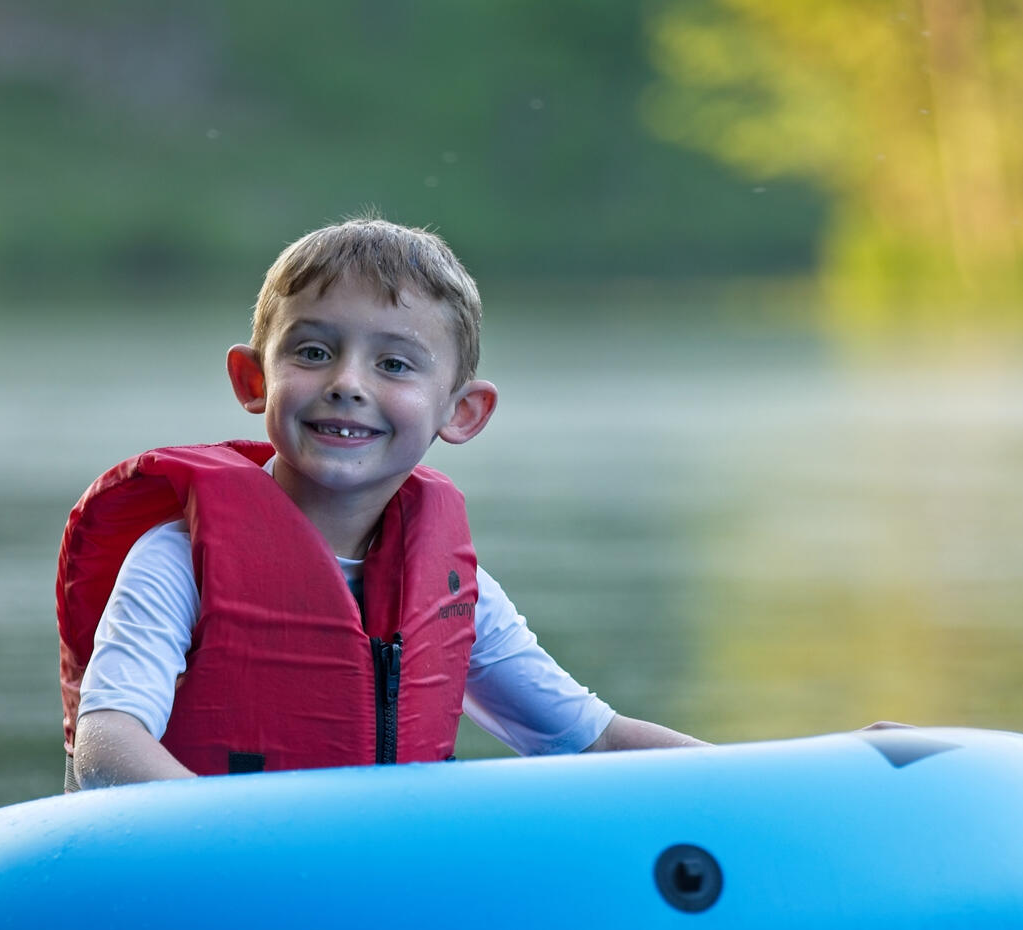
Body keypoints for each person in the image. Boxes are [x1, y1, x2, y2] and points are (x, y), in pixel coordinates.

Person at [57, 217, 710, 791]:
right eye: (313, 352)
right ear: (253, 380)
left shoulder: (456, 591)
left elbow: (590, 741)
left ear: (460, 412)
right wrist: (236, 842)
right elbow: (107, 743)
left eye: (394, 364)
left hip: (371, 890)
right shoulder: (176, 561)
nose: (346, 383)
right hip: (212, 881)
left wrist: (767, 781)